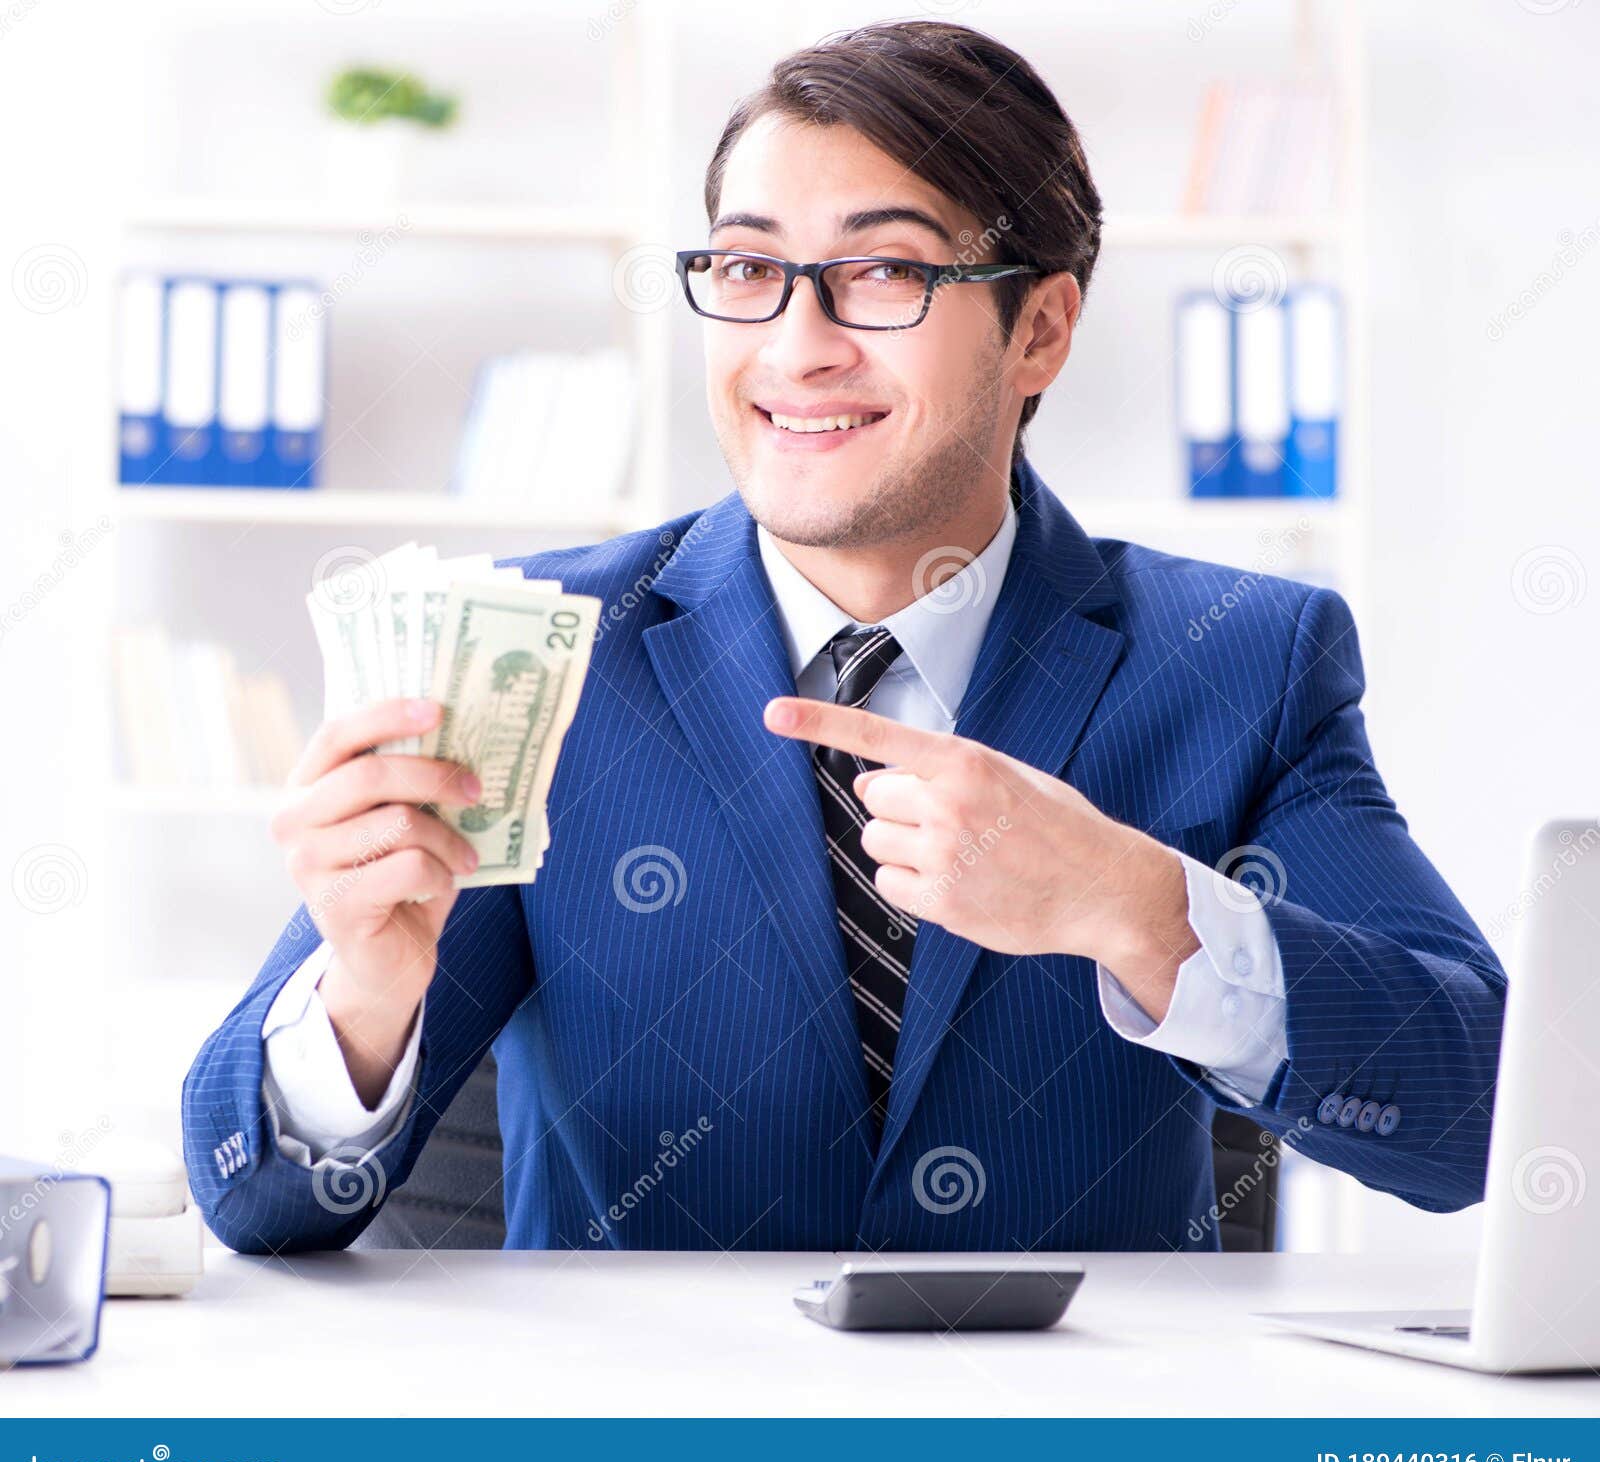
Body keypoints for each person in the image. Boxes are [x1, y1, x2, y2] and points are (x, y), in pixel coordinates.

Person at [183, 20, 1505, 1254]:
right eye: (751, 270)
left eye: (881, 272)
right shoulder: (538, 652)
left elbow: (1477, 1106)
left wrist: (1134, 908)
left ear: (1037, 329)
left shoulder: (1236, 660)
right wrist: (361, 991)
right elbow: (256, 1197)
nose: (797, 347)